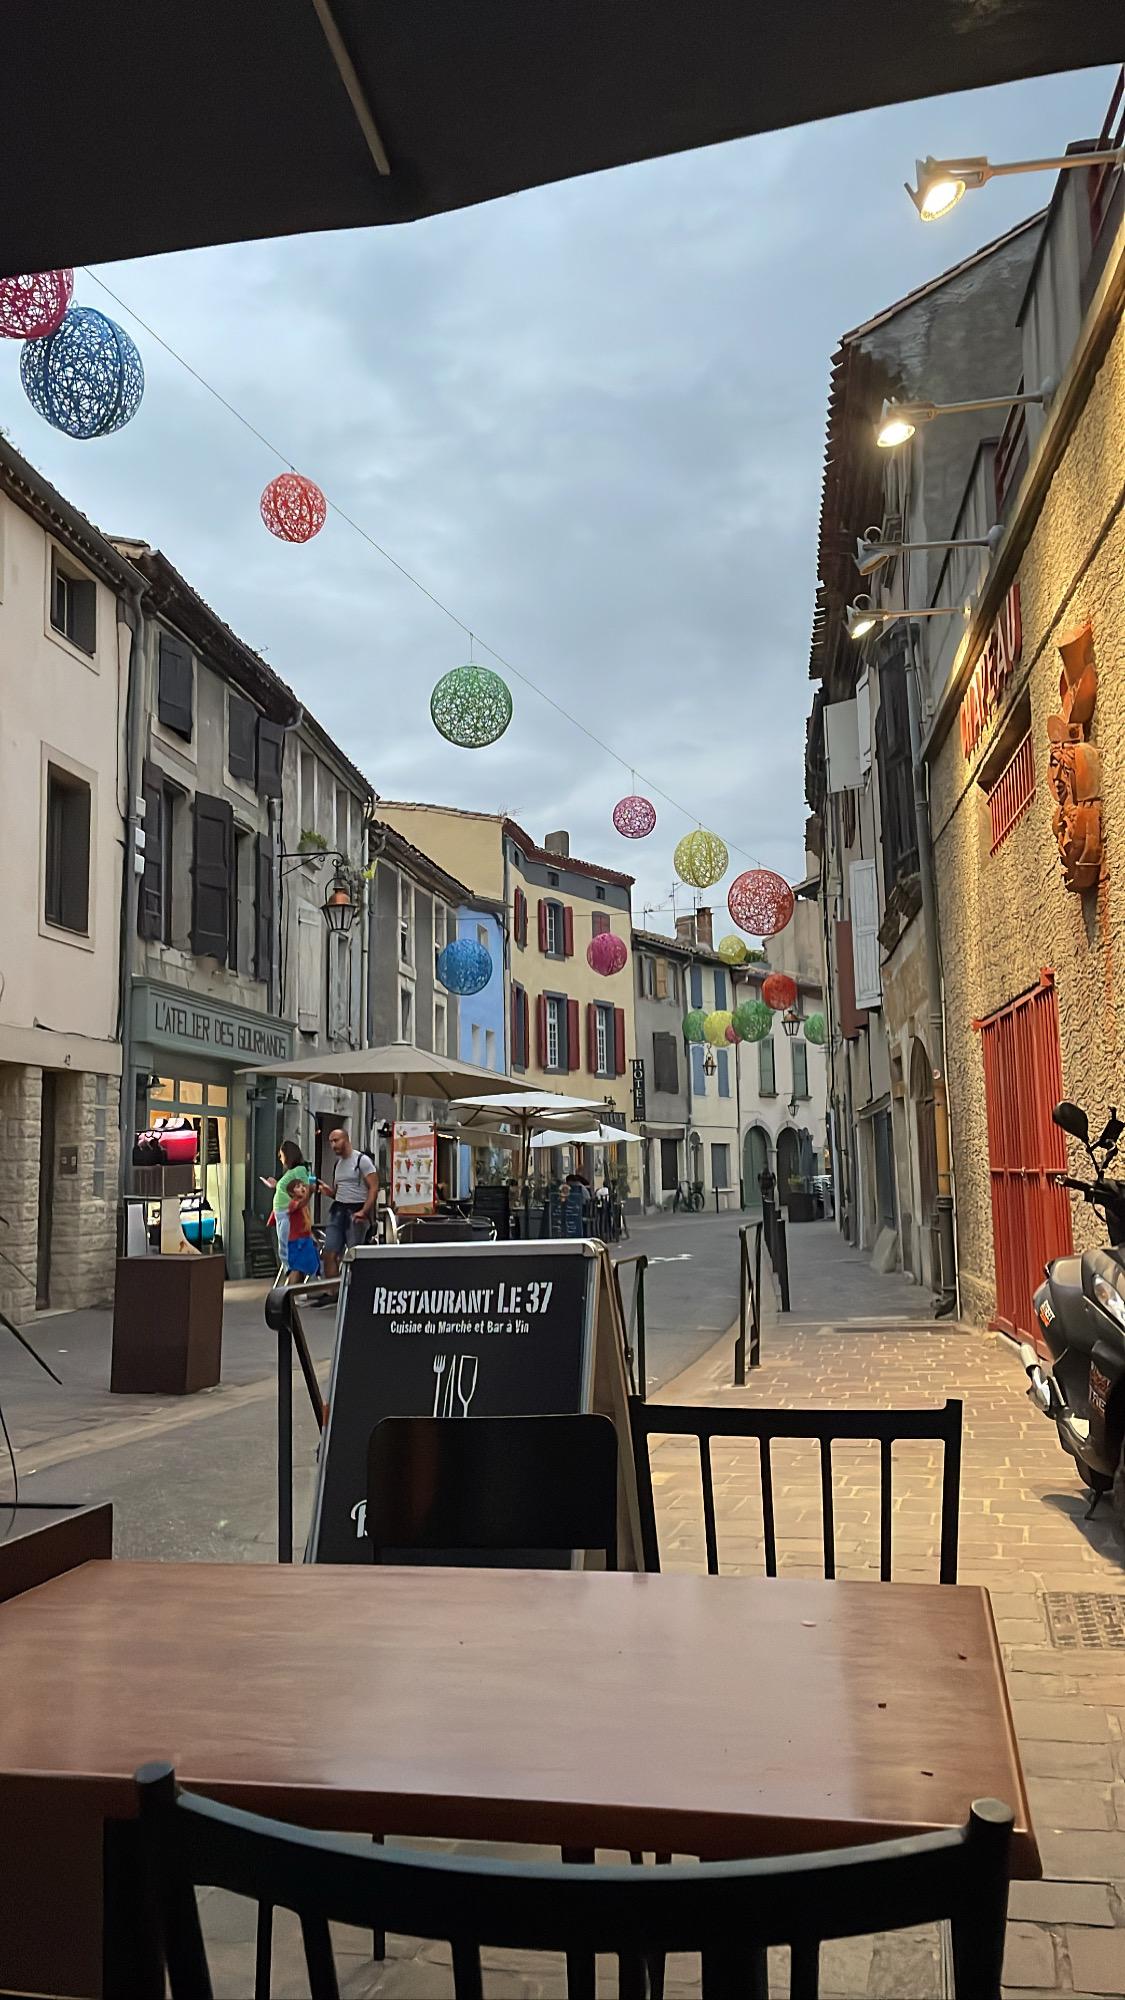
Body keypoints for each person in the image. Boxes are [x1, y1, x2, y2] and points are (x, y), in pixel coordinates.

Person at [319, 1125, 379, 1276]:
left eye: (336, 1140)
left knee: (354, 1254)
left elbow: (373, 1187)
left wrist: (364, 1211)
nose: (333, 1145)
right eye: (331, 1142)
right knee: (329, 1252)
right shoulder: (338, 1164)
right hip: (338, 1209)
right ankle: (333, 1291)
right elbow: (339, 1192)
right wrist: (329, 1192)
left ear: (345, 1140)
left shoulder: (361, 1160)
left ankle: (355, 1289)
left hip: (356, 1209)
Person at [262, 1140, 313, 1264]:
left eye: (281, 1155)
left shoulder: (299, 1170)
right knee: (284, 1249)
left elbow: (305, 1190)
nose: (280, 1158)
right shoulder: (291, 1173)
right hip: (281, 1214)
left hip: (288, 1214)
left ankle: (295, 1276)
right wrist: (277, 1184)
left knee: (287, 1250)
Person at [283, 1177, 321, 1284]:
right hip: (296, 1241)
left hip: (306, 1239)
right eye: (298, 1187)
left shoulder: (305, 1206)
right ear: (292, 1192)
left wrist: (313, 1238)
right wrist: (310, 1192)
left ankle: (298, 1291)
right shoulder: (293, 1204)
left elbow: (306, 1225)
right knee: (297, 1267)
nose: (302, 1188)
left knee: (305, 1268)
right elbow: (301, 1204)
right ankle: (290, 1291)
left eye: (302, 1186)